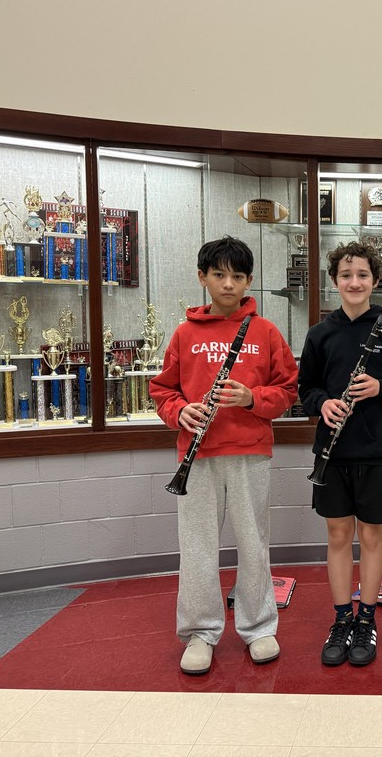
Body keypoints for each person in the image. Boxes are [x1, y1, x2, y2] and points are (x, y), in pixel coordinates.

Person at [150, 235, 299, 675]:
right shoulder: (184, 333)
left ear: (249, 280)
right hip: (197, 456)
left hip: (250, 452)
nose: (228, 284)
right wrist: (182, 412)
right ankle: (200, 632)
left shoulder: (265, 331)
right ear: (203, 278)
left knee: (254, 542)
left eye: (237, 276)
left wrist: (251, 398)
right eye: (219, 275)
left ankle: (258, 626)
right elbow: (162, 391)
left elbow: (287, 390)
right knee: (196, 546)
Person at [298, 240, 382, 667]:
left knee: (371, 537)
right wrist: (322, 403)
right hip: (331, 453)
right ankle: (342, 618)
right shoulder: (320, 333)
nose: (354, 282)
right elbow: (305, 389)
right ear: (334, 280)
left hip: (375, 451)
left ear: (375, 280)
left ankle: (367, 619)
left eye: (362, 275)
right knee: (338, 536)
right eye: (345, 275)